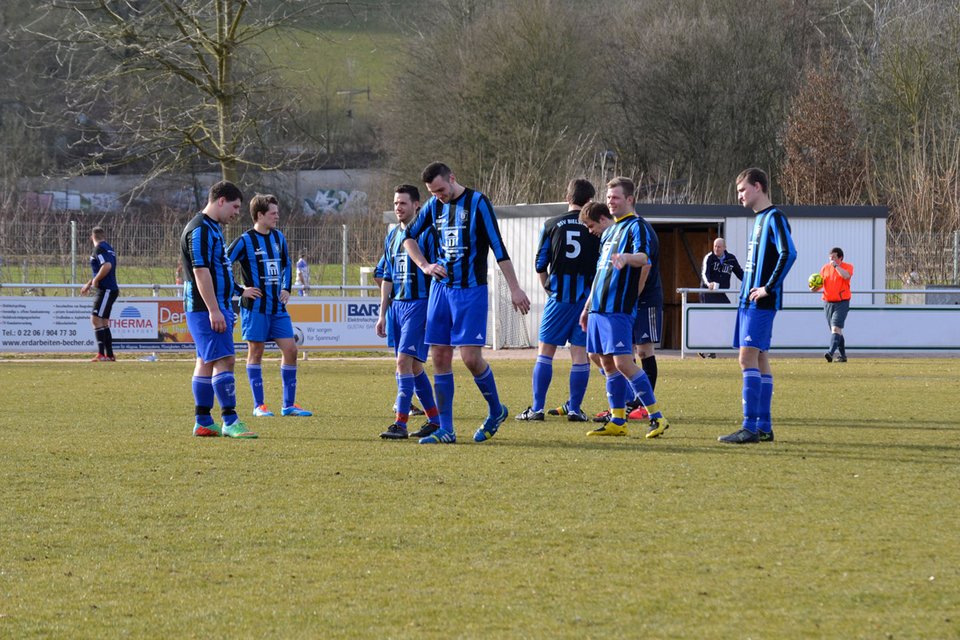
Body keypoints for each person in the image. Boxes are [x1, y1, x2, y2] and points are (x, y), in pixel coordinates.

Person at [402, 161, 530, 444]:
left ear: (452, 178)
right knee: (439, 357)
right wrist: (424, 265)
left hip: (471, 291)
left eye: (441, 189)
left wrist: (515, 289)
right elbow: (407, 237)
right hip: (441, 290)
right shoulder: (434, 207)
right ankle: (446, 429)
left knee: (471, 358)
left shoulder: (478, 202)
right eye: (433, 192)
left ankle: (496, 410)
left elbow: (499, 248)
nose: (438, 196)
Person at [578, 185, 670, 439]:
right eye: (608, 197)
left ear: (629, 199)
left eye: (616, 197)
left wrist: (628, 258)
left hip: (618, 307)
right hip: (598, 307)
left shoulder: (638, 226)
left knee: (623, 362)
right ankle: (617, 420)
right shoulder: (610, 232)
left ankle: (657, 417)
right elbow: (599, 273)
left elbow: (644, 258)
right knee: (602, 359)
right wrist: (586, 307)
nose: (611, 201)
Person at [719, 168, 796, 444]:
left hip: (761, 303)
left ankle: (749, 427)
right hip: (748, 302)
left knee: (746, 359)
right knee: (760, 358)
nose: (739, 196)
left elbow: (789, 253)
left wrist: (768, 288)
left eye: (742, 190)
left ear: (758, 187)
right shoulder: (760, 220)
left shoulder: (775, 217)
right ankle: (764, 426)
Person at [516, 179, 600, 423]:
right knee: (580, 355)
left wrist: (548, 290)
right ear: (590, 200)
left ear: (568, 197)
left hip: (559, 298)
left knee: (545, 353)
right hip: (586, 301)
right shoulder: (594, 226)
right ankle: (574, 409)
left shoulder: (551, 224)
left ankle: (537, 409)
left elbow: (540, 263)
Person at [180, 180, 257, 439]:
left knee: (206, 360)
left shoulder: (212, 228)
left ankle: (203, 421)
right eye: (235, 207)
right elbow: (200, 271)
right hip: (205, 307)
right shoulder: (200, 229)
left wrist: (236, 292)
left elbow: (218, 270)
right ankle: (230, 420)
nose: (237, 213)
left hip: (214, 305)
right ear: (220, 200)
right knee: (225, 359)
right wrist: (214, 310)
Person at [227, 194, 312, 418]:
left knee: (291, 350)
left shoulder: (278, 237)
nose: (277, 216)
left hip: (277, 308)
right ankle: (259, 405)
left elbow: (285, 263)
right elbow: (223, 264)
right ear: (260, 215)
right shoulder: (245, 240)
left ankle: (288, 405)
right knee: (256, 352)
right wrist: (240, 290)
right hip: (255, 308)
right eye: (273, 213)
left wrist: (287, 288)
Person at [375, 184, 443, 440]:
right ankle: (435, 420)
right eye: (395, 204)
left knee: (403, 362)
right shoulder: (391, 236)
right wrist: (382, 312)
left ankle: (400, 423)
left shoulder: (427, 234)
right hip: (397, 307)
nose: (398, 208)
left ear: (417, 205)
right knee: (413, 367)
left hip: (420, 304)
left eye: (403, 203)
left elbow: (438, 270)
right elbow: (386, 277)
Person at [698, 237, 744, 358]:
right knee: (711, 319)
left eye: (718, 246)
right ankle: (704, 347)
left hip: (720, 293)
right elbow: (704, 274)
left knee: (728, 316)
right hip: (707, 293)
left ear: (724, 247)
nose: (716, 249)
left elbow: (740, 273)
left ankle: (717, 345)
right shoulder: (709, 257)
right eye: (714, 246)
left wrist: (751, 284)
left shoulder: (731, 259)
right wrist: (710, 284)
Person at [79, 226, 119, 362]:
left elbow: (106, 266)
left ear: (92, 237)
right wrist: (90, 283)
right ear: (104, 236)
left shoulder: (99, 249)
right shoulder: (109, 248)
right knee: (103, 321)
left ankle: (102, 354)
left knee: (95, 319)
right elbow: (103, 267)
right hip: (110, 288)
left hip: (106, 289)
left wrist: (95, 280)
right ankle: (110, 355)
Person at [811, 247, 853, 363]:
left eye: (834, 257)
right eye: (830, 257)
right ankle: (843, 356)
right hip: (828, 302)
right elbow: (820, 283)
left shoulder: (847, 267)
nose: (831, 259)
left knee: (836, 328)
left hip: (842, 302)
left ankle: (830, 353)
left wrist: (836, 266)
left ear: (840, 258)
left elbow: (846, 276)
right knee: (836, 331)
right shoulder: (825, 268)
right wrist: (814, 288)